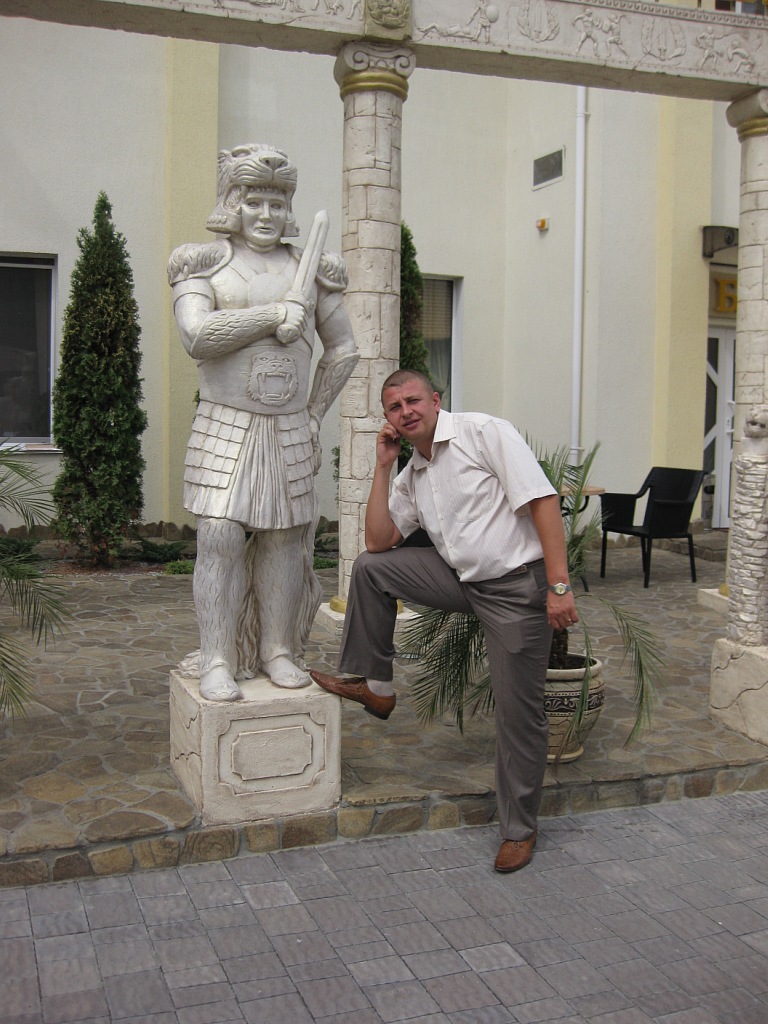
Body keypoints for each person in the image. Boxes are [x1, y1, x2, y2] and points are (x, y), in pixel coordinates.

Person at [310, 369, 578, 872]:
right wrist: (383, 468)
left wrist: (559, 586)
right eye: (395, 407)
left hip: (516, 588)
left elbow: (543, 501)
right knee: (370, 569)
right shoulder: (413, 473)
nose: (406, 412)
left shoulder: (484, 433)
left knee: (518, 715)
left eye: (413, 400)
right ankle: (377, 688)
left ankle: (519, 829)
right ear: (388, 419)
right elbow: (378, 541)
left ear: (435, 401)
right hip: (462, 580)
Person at [168, 144, 358, 701]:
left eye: (277, 202)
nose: (267, 214)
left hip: (289, 425)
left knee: (285, 538)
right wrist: (274, 315)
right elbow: (197, 335)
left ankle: (277, 649)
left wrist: (315, 413)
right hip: (225, 422)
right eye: (255, 201)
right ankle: (218, 656)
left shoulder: (312, 270)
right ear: (233, 202)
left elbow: (344, 349)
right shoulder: (203, 264)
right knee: (220, 534)